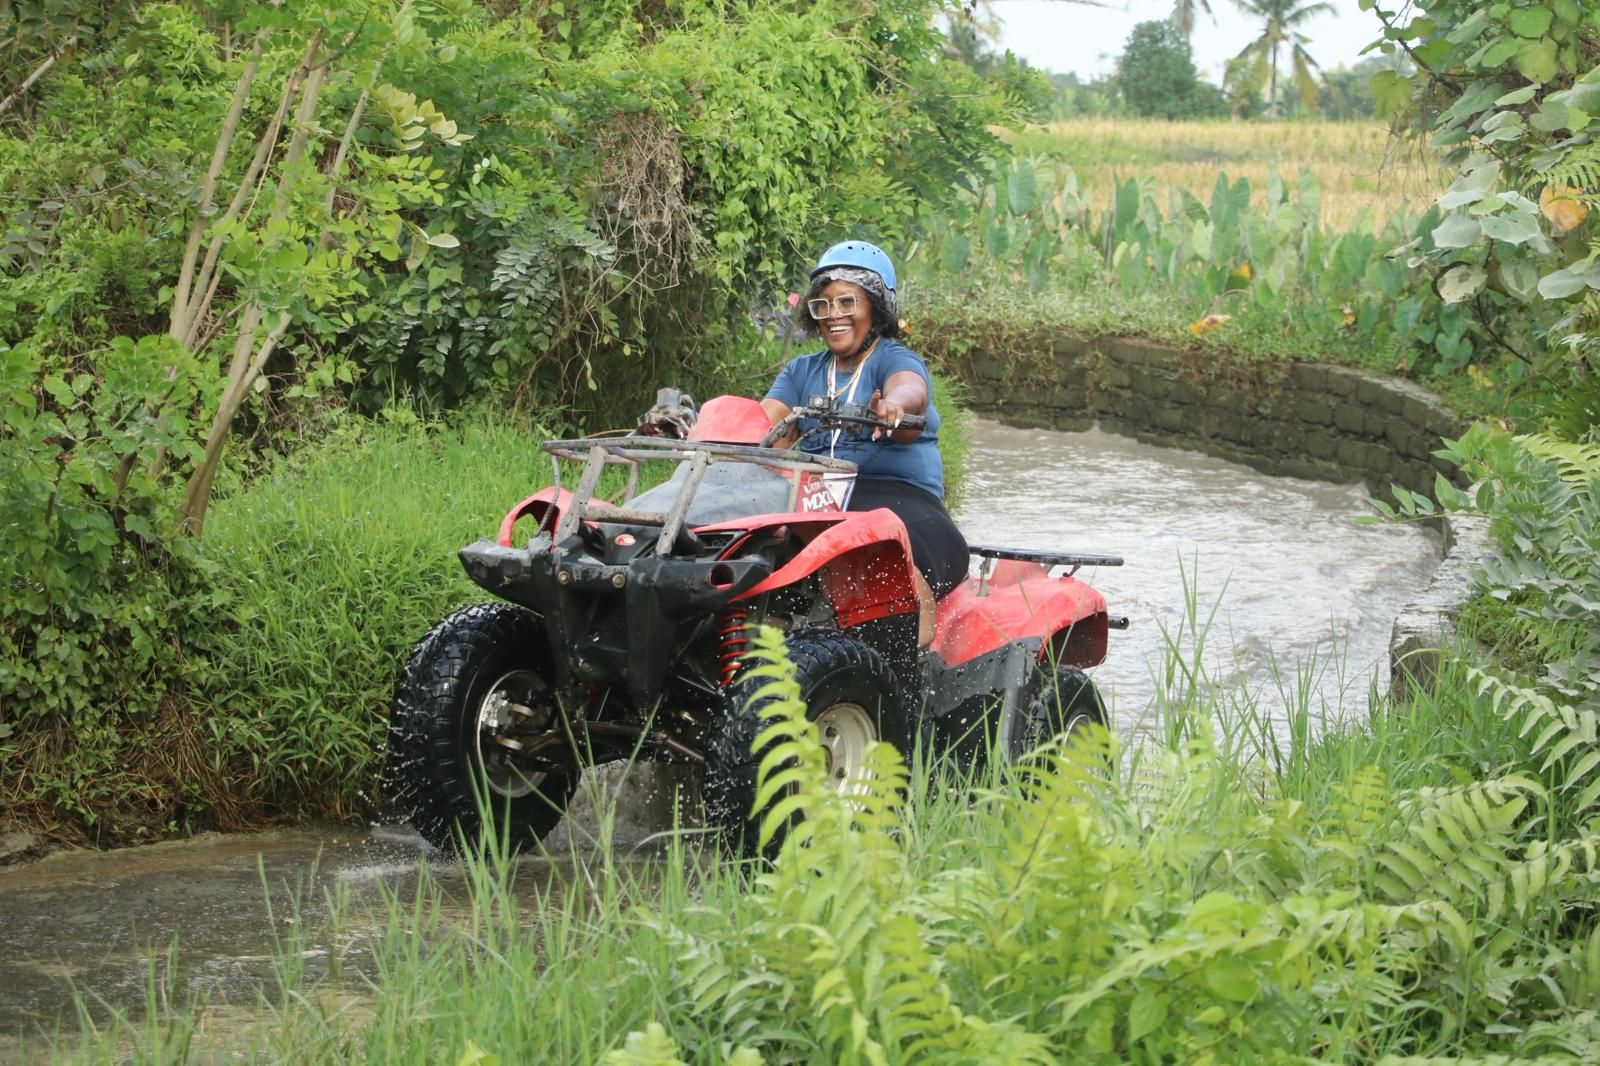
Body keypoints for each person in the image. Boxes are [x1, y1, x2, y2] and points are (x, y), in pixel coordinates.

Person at [761, 240, 969, 600]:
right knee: (757, 545)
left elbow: (910, 389)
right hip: (815, 503)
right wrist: (702, 427)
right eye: (823, 304)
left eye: (847, 302)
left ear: (877, 307)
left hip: (902, 500)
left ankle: (911, 650)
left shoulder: (893, 359)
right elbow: (763, 420)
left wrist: (893, 407)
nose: (833, 314)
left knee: (876, 540)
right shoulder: (800, 370)